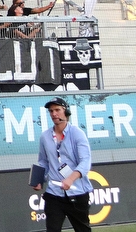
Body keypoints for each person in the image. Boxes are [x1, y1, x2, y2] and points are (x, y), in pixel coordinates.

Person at [32, 97, 92, 232]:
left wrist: (71, 179)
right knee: (52, 229)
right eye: (51, 111)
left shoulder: (77, 134)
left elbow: (85, 162)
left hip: (77, 193)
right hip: (54, 193)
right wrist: (38, 179)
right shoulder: (45, 136)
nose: (54, 114)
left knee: (82, 229)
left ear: (66, 112)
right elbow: (43, 161)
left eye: (57, 110)